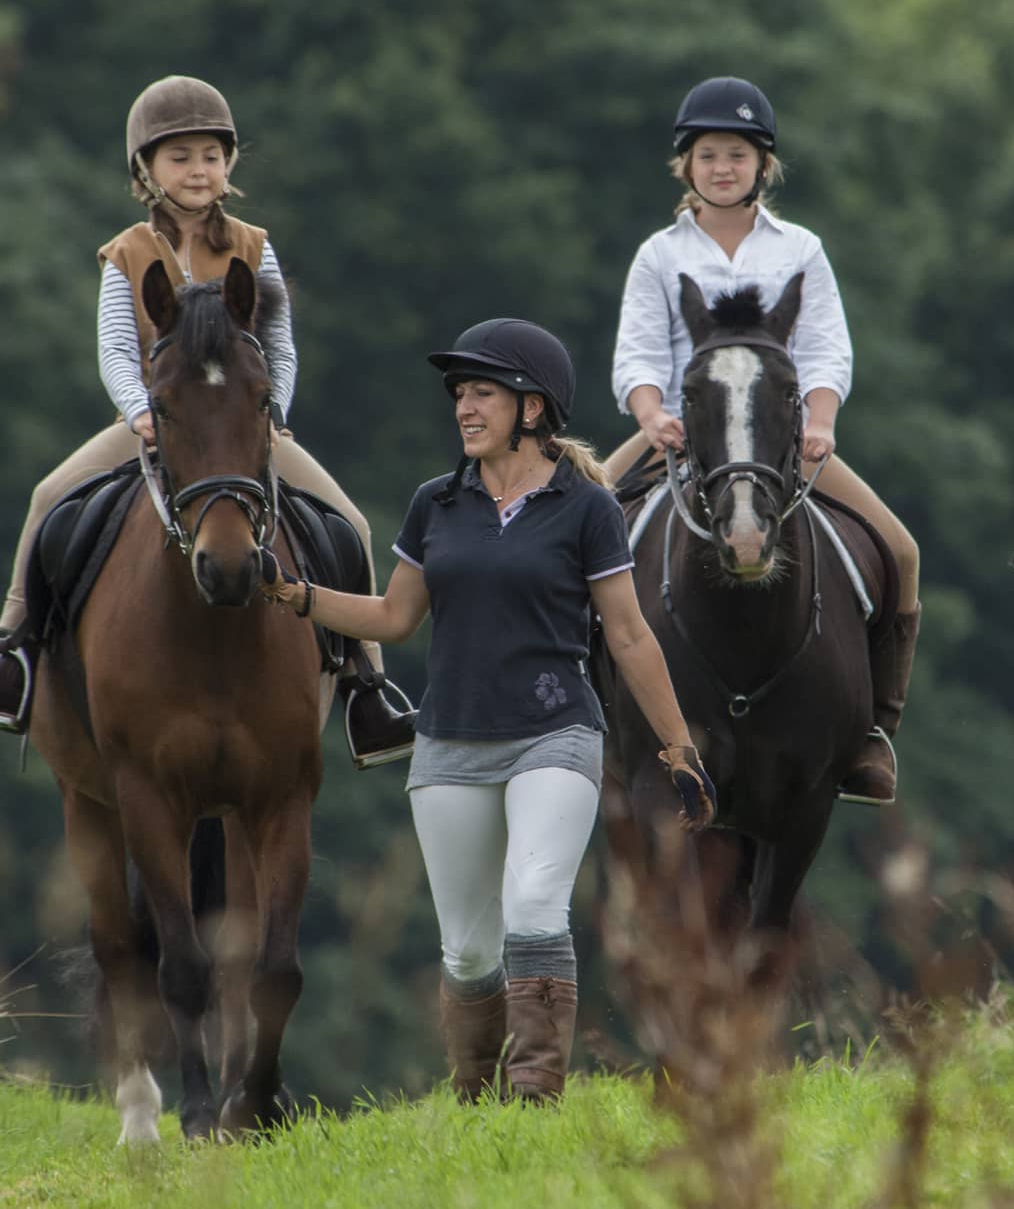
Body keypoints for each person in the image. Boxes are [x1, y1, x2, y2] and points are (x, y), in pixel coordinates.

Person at [262, 317, 716, 1103]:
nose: (464, 408)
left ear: (533, 408)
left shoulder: (587, 508)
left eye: (482, 393)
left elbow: (631, 634)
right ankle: (478, 1101)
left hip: (556, 733)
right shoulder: (435, 504)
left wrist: (678, 749)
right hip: (449, 744)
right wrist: (297, 596)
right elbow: (394, 618)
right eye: (459, 395)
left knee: (535, 904)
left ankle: (534, 1097)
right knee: (468, 951)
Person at [0, 75, 415, 765]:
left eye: (212, 156)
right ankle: (15, 651)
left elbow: (279, 345)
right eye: (180, 157)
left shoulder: (254, 245)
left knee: (354, 524)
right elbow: (112, 347)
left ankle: (366, 685)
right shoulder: (127, 252)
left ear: (229, 166)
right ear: (147, 170)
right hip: (154, 427)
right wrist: (139, 414)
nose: (199, 171)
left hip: (244, 430)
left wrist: (274, 413)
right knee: (48, 498)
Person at [606, 76, 921, 805]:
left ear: (762, 167)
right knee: (574, 538)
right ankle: (586, 715)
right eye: (710, 154)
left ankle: (873, 732)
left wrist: (820, 421)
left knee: (901, 550)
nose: (723, 167)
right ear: (686, 165)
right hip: (682, 435)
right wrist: (652, 415)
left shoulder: (801, 249)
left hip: (783, 442)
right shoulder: (659, 254)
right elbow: (639, 356)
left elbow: (825, 350)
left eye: (738, 156)